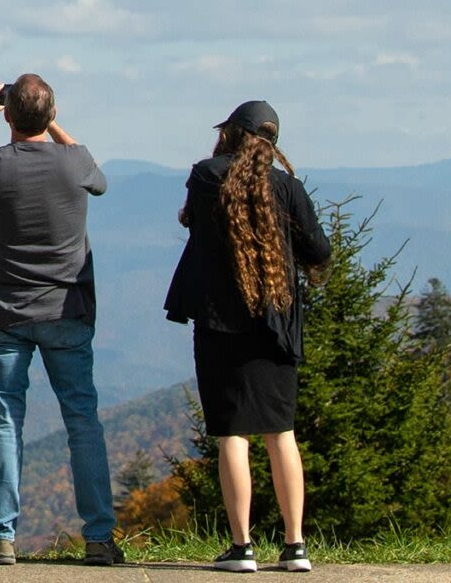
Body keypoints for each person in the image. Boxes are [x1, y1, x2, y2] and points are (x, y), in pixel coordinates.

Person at [0, 74, 118, 566]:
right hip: (68, 311)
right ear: (52, 115)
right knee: (82, 420)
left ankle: (0, 537)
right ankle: (99, 538)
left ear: (8, 117)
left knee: (5, 420)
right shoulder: (75, 162)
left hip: (6, 313)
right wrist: (52, 124)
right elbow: (95, 173)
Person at [162, 100, 331, 574]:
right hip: (276, 324)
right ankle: (295, 546)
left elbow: (192, 224)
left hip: (218, 323)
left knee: (231, 434)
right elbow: (318, 249)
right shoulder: (286, 186)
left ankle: (242, 548)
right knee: (282, 433)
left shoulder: (205, 176)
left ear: (230, 134)